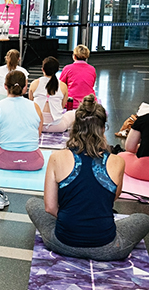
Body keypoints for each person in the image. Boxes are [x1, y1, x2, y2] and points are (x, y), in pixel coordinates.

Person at [26, 96, 149, 261]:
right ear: (103, 128)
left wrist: (72, 220)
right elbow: (112, 198)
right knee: (142, 219)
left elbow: (50, 207)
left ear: (75, 127)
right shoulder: (117, 161)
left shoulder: (56, 157)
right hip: (108, 248)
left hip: (62, 242)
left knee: (32, 204)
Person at [29, 56, 75, 133]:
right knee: (74, 114)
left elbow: (31, 104)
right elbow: (62, 106)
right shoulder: (63, 86)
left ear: (42, 69)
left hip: (35, 125)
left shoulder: (34, 84)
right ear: (57, 70)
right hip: (58, 126)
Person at [59, 44, 97, 109]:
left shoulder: (67, 68)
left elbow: (61, 85)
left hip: (71, 102)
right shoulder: (92, 69)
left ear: (74, 56)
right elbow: (91, 84)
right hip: (89, 102)